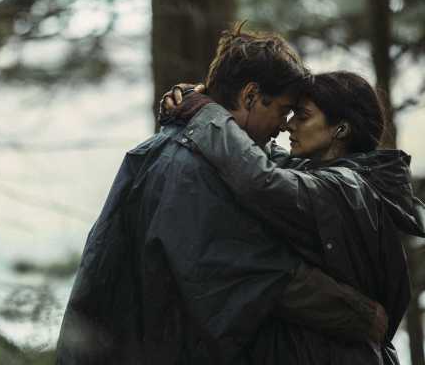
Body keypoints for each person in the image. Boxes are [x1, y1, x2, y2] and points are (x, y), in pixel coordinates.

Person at [56, 24, 388, 365]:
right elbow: (256, 271)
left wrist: (196, 104)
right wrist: (360, 316)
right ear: (250, 97)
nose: (283, 125)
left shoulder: (180, 150)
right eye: (283, 110)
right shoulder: (193, 168)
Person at [162, 70, 425, 364]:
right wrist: (198, 100)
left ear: (340, 129)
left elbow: (260, 179)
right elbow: (259, 155)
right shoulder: (326, 174)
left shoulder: (345, 187)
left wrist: (205, 112)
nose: (288, 125)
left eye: (302, 116)